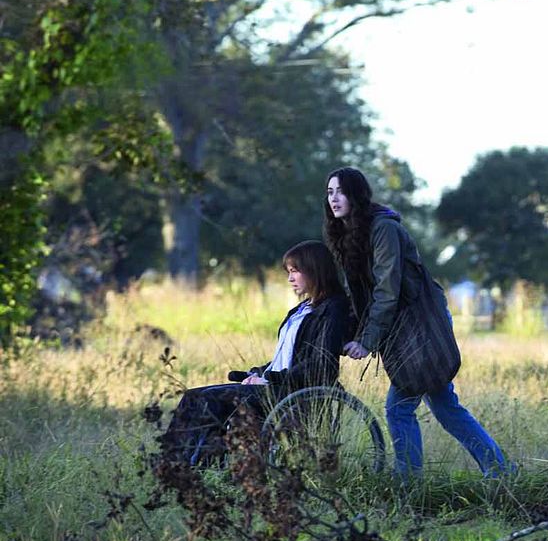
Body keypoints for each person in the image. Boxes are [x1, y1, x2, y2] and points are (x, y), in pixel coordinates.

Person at [322, 166, 510, 478]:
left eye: (341, 191)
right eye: (330, 192)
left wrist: (367, 340)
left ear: (357, 195)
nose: (334, 198)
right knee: (445, 406)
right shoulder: (349, 235)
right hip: (402, 325)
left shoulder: (382, 229)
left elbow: (387, 288)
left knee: (399, 409)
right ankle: (501, 472)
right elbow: (359, 294)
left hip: (421, 323)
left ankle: (408, 483)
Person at [159, 240, 350, 465]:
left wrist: (269, 379)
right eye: (288, 272)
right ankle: (176, 464)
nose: (290, 279)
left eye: (295, 271)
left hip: (293, 392)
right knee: (193, 396)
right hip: (274, 385)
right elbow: (285, 357)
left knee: (210, 399)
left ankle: (185, 466)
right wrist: (256, 373)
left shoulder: (333, 308)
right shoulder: (301, 309)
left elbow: (322, 364)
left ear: (314, 270)